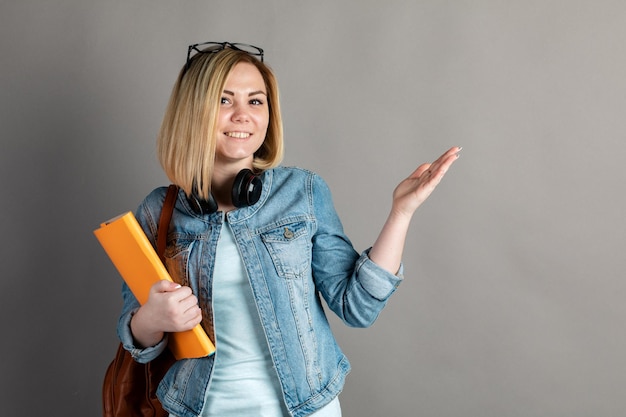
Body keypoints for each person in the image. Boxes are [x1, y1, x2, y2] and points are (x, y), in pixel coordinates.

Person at [117, 41, 460, 417]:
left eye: (255, 101)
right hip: (199, 409)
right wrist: (152, 319)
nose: (243, 115)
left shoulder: (303, 193)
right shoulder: (158, 210)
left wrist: (401, 212)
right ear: (192, 112)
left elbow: (357, 306)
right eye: (224, 100)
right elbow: (139, 339)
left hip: (306, 409)